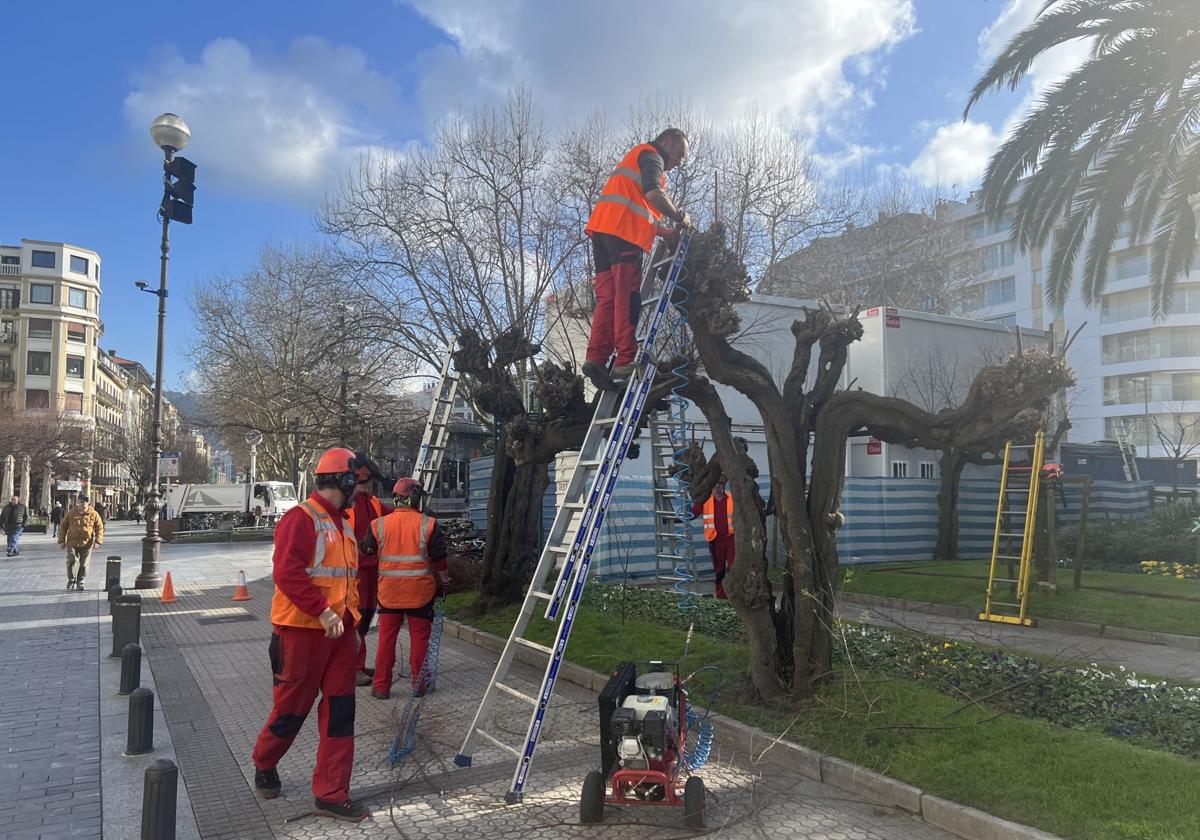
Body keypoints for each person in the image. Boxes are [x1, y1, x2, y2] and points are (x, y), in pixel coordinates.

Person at [251, 447, 366, 822]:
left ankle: (332, 793)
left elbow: (347, 579)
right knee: (291, 711)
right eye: (357, 482)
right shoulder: (301, 518)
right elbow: (287, 573)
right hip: (301, 632)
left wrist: (352, 625)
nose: (361, 490)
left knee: (340, 712)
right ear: (344, 481)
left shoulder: (342, 522)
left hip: (340, 633)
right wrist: (323, 611)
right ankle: (265, 762)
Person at [581, 128, 691, 392]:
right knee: (627, 295)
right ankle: (625, 358)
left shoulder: (636, 158)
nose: (678, 163)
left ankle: (596, 358)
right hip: (623, 235)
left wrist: (665, 232)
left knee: (607, 298)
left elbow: (639, 210)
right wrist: (680, 217)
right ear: (667, 142)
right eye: (680, 154)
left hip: (604, 230)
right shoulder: (652, 157)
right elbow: (654, 195)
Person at [370, 477, 448, 700]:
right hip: (420, 595)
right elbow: (440, 558)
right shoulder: (428, 524)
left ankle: (381, 686)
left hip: (388, 594)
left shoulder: (379, 525)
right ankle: (419, 685)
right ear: (414, 499)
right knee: (419, 639)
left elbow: (367, 552)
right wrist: (445, 579)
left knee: (386, 639)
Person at [346, 459, 392, 688]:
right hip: (355, 571)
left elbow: (391, 517)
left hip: (372, 568)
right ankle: (352, 669)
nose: (366, 485)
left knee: (364, 619)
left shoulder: (372, 502)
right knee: (358, 619)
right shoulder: (347, 504)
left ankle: (359, 665)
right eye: (363, 480)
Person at [692, 476, 734, 600]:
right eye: (715, 485)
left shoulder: (732, 499)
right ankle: (721, 596)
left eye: (720, 484)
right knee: (719, 571)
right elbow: (692, 514)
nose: (717, 487)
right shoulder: (705, 501)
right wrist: (674, 519)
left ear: (724, 485)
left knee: (735, 568)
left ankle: (736, 595)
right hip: (715, 541)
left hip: (731, 539)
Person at [59, 495, 104, 590]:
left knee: (84, 564)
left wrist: (98, 541)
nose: (83, 504)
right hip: (72, 542)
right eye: (81, 502)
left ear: (88, 503)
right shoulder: (71, 513)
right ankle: (71, 580)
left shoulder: (94, 514)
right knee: (71, 561)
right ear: (78, 502)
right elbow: (63, 527)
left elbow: (99, 528)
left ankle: (80, 581)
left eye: (85, 502)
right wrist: (61, 541)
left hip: (87, 543)